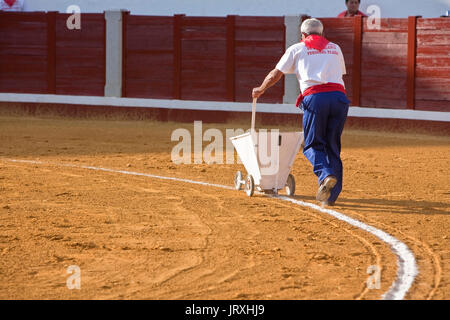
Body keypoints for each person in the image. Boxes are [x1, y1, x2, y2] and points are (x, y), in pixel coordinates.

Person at [252, 18, 349, 206]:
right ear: (322, 33)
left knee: (312, 145)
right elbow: (339, 74)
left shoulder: (297, 48)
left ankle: (325, 174)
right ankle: (331, 197)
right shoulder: (335, 48)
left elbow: (275, 74)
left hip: (316, 99)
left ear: (303, 35)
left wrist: (261, 88)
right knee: (333, 146)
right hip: (339, 99)